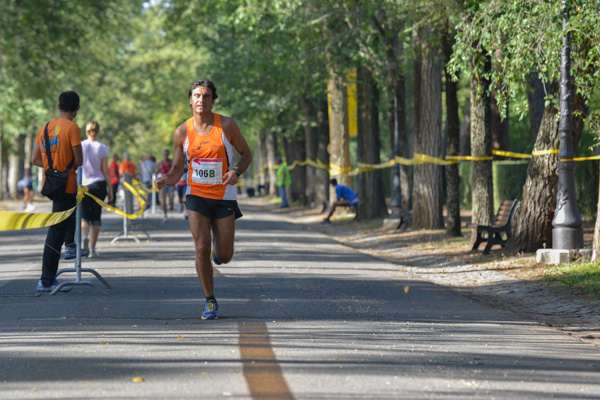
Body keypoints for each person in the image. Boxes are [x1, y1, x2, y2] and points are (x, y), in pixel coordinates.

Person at [155, 78, 252, 320]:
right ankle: (210, 300)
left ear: (212, 100)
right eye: (197, 96)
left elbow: (247, 154)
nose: (201, 100)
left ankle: (218, 254)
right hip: (196, 195)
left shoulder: (227, 125)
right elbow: (178, 169)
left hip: (224, 196)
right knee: (201, 247)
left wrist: (236, 172)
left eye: (206, 96)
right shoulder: (182, 131)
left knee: (225, 256)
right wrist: (166, 180)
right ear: (190, 100)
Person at [31, 91, 83, 292]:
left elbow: (35, 160)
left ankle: (52, 273)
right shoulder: (73, 128)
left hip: (50, 183)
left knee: (61, 227)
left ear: (59, 106)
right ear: (77, 108)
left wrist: (51, 167)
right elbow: (78, 160)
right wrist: (65, 167)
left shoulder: (44, 128)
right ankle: (46, 280)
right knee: (56, 232)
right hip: (67, 186)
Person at [81, 121, 114, 258]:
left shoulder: (81, 146)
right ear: (98, 131)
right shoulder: (102, 148)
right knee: (96, 217)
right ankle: (93, 248)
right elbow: (105, 170)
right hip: (99, 184)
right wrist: (110, 189)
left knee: (84, 216)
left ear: (86, 131)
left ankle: (84, 237)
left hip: (83, 186)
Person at [156, 149, 175, 223]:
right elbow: (156, 172)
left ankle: (171, 204)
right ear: (163, 155)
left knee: (171, 199)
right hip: (163, 184)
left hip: (170, 183)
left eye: (167, 154)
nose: (166, 156)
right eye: (164, 154)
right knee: (163, 201)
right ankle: (165, 215)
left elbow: (175, 171)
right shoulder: (160, 163)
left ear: (168, 154)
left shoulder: (172, 162)